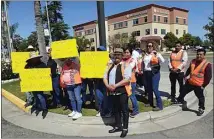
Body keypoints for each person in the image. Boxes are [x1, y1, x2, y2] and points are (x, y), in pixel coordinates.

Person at [103, 47, 132, 138]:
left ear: (122, 55)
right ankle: (118, 126)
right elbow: (104, 77)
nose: (117, 56)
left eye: (119, 55)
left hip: (122, 91)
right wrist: (107, 86)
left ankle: (125, 128)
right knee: (115, 110)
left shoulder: (126, 65)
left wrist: (115, 85)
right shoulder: (109, 65)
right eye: (115, 55)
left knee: (124, 110)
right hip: (112, 91)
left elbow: (127, 79)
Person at [176, 49, 212, 116]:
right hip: (190, 82)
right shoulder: (193, 61)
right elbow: (189, 69)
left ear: (204, 55)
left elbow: (208, 77)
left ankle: (201, 108)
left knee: (200, 97)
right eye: (197, 54)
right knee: (183, 91)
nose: (198, 56)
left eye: (200, 54)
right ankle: (179, 100)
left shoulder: (207, 64)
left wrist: (203, 86)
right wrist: (186, 76)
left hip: (199, 84)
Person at [25, 52, 48, 119]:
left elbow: (46, 73)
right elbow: (25, 74)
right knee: (35, 96)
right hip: (32, 84)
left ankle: (44, 109)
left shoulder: (42, 65)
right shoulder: (27, 66)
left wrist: (48, 75)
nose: (34, 59)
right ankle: (38, 107)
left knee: (40, 96)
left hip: (40, 84)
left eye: (35, 58)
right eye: (33, 58)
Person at [143, 42, 165, 111]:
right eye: (148, 46)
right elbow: (144, 64)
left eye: (150, 46)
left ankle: (160, 105)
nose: (149, 47)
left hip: (154, 73)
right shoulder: (145, 54)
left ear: (153, 47)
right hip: (147, 73)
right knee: (149, 89)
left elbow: (163, 61)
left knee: (155, 89)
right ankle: (150, 102)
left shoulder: (156, 54)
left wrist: (157, 57)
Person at [94, 46, 112, 117]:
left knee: (106, 97)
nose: (99, 52)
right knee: (99, 97)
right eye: (98, 51)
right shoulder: (94, 60)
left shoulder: (109, 60)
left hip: (105, 81)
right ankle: (101, 111)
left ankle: (108, 111)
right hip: (97, 81)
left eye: (101, 51)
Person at [122, 47, 139, 118]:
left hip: (131, 81)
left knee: (132, 96)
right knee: (124, 96)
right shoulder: (123, 60)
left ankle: (136, 110)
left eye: (128, 52)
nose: (126, 54)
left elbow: (129, 67)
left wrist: (123, 65)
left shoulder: (133, 60)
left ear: (131, 53)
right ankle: (125, 110)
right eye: (125, 52)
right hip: (124, 81)